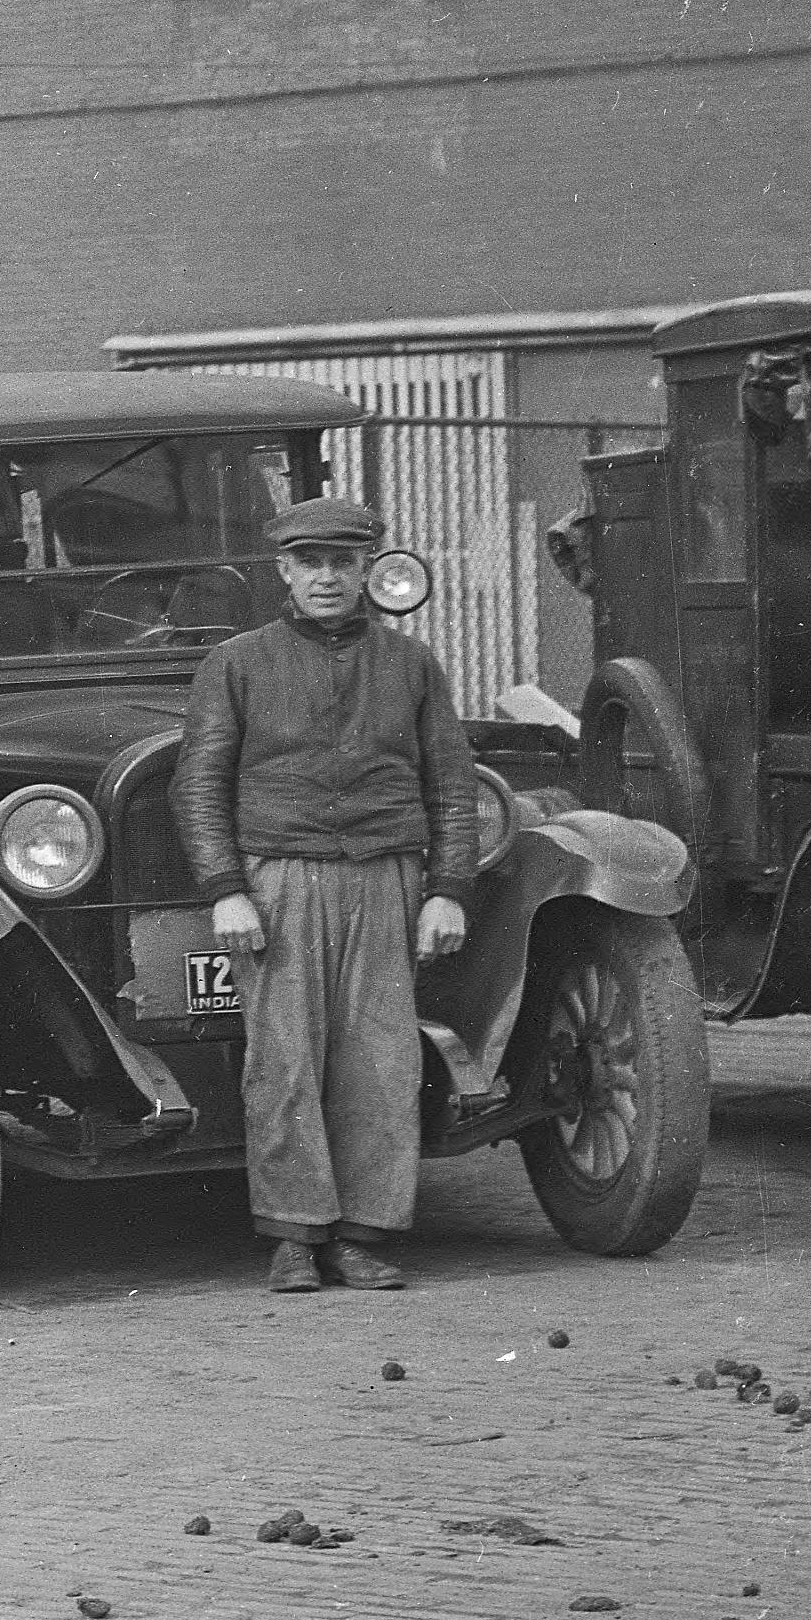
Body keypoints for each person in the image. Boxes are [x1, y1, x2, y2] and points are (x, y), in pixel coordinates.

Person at [175, 491, 483, 1295]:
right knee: (283, 1061)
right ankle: (292, 1235)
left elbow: (451, 783)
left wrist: (448, 889)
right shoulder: (237, 663)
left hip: (386, 877)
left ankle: (361, 1234)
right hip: (278, 878)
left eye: (341, 562)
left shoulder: (411, 663)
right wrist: (224, 889)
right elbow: (198, 784)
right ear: (283, 570)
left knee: (380, 1060)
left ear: (365, 569)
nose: (325, 578)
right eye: (308, 562)